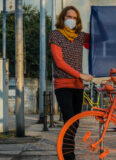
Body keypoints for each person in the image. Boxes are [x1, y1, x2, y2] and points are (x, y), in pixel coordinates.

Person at [49, 6, 93, 159]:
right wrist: (80, 74)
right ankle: (68, 155)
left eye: (74, 18)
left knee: (75, 123)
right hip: (63, 85)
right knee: (69, 120)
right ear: (63, 18)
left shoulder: (80, 36)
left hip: (77, 86)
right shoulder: (56, 35)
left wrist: (96, 17)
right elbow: (59, 62)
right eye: (69, 16)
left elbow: (100, 38)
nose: (71, 20)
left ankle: (67, 152)